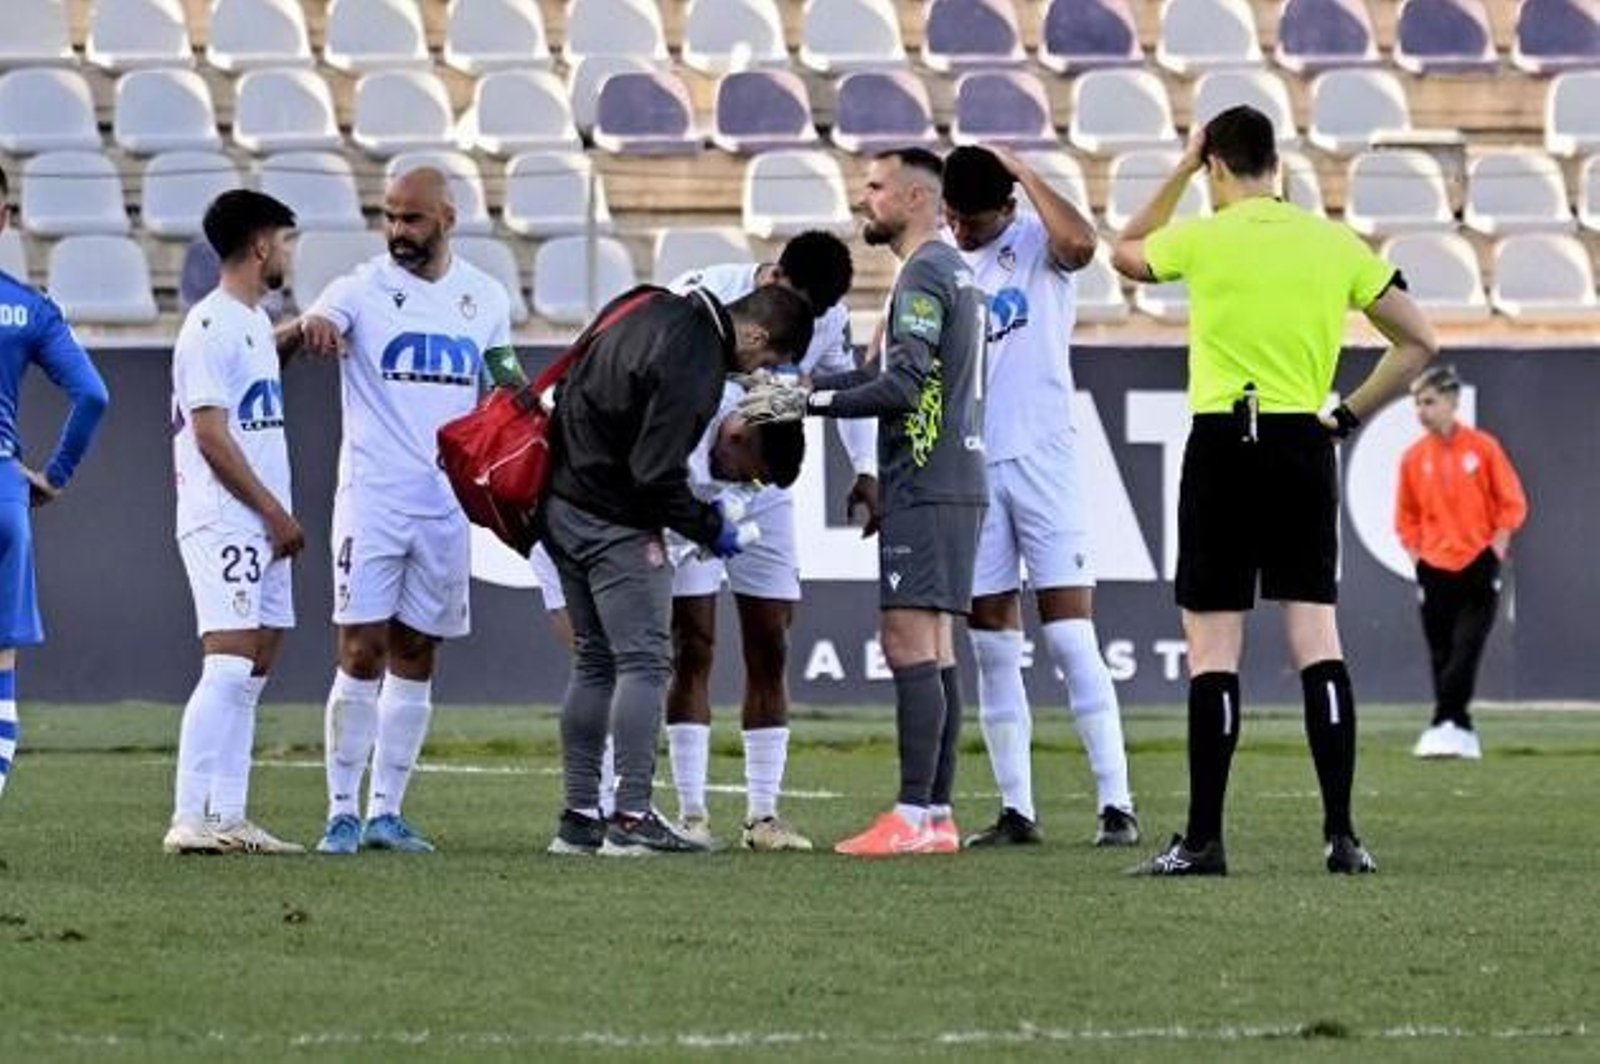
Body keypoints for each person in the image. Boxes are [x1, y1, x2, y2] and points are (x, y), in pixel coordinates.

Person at [1111, 106, 1438, 876]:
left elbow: (1122, 250)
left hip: (1225, 440)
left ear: (1216, 165)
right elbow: (1421, 339)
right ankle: (1342, 836)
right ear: (1278, 164)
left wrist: (1181, 169)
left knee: (1213, 652)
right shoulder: (1331, 242)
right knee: (1317, 638)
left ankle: (1202, 841)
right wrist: (1348, 414)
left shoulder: (1206, 234)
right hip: (1302, 440)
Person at [741, 147, 989, 857]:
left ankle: (913, 815)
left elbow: (903, 388)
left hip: (924, 478)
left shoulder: (922, 275)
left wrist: (798, 398)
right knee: (936, 647)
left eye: (877, 187)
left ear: (917, 198)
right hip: (955, 478)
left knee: (910, 641)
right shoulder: (954, 273)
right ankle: (935, 817)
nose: (864, 199)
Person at [282, 167, 520, 855]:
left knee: (418, 651)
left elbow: (504, 380)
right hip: (374, 499)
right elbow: (315, 327)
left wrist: (527, 405)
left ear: (447, 217)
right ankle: (339, 812)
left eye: (411, 220)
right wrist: (312, 324)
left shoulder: (484, 297)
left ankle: (387, 811)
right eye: (389, 217)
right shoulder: (357, 288)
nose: (397, 233)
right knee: (360, 648)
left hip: (445, 506)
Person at [541, 283, 815, 857]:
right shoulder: (697, 361)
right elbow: (653, 476)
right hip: (612, 517)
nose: (755, 374)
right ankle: (633, 817)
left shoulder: (648, 303)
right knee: (644, 663)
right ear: (757, 335)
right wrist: (707, 527)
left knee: (594, 661)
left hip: (561, 500)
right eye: (764, 362)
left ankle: (578, 819)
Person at [940, 144, 1139, 849]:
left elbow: (1084, 243)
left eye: (974, 218)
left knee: (1069, 633)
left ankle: (1116, 802)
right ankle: (1016, 809)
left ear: (1010, 206)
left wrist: (1023, 169)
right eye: (953, 216)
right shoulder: (938, 257)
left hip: (1046, 456)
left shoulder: (1038, 241)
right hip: (972, 464)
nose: (960, 230)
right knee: (991, 641)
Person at [663, 231, 868, 852]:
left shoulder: (829, 315)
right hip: (695, 473)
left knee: (771, 636)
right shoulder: (700, 295)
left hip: (763, 479)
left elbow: (842, 386)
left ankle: (763, 815)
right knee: (692, 639)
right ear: (772, 280)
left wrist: (867, 470)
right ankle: (691, 810)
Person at [164, 191, 306, 855]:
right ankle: (188, 817)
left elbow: (252, 382)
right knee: (225, 665)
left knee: (255, 668)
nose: (288, 252)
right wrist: (274, 512)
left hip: (261, 525)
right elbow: (212, 436)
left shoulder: (252, 321)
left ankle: (229, 814)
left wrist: (297, 337)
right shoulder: (210, 325)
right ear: (260, 246)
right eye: (285, 239)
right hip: (226, 518)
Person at [0, 163, 109, 810]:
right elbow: (93, 395)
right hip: (5, 494)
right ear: (5, 217)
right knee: (2, 668)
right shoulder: (28, 308)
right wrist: (55, 476)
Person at [1397, 365, 1526, 761]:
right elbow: (1406, 518)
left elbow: (1512, 503)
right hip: (1434, 567)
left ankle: (1442, 722)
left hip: (1477, 564)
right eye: (1418, 403)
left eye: (1430, 401)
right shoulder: (1414, 458)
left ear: (1452, 402)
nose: (1423, 410)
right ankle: (1460, 728)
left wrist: (1496, 548)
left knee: (1466, 649)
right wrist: (1418, 557)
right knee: (1440, 651)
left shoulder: (1483, 448)